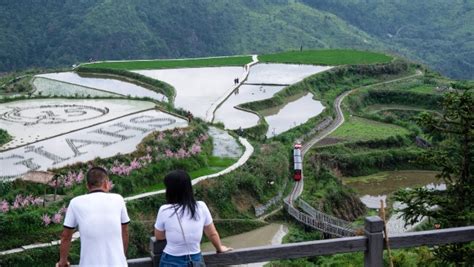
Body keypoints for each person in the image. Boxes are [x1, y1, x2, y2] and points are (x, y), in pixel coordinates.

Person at [154, 170, 231, 266]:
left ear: (170, 190)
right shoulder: (201, 207)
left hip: (171, 260)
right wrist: (220, 248)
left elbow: (159, 236)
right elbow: (212, 233)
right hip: (195, 260)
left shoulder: (164, 210)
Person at [57, 167, 130, 267]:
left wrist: (63, 261)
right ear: (106, 183)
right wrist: (121, 257)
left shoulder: (75, 203)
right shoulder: (118, 199)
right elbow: (125, 231)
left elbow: (66, 236)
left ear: (87, 186)